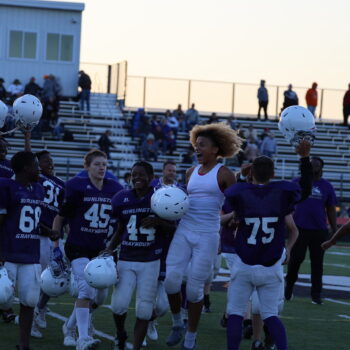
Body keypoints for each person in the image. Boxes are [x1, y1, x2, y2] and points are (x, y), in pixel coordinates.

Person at [164, 122, 242, 350]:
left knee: (195, 290)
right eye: (196, 145)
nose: (197, 149)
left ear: (216, 150)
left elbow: (238, 204)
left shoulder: (225, 174)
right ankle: (178, 322)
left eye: (203, 146)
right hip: (185, 230)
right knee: (171, 281)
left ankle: (191, 336)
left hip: (208, 235)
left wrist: (236, 220)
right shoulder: (190, 172)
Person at [224, 156, 302, 350]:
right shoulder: (281, 195)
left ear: (251, 173)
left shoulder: (242, 193)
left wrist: (242, 177)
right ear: (273, 174)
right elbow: (300, 190)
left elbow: (231, 193)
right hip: (270, 265)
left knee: (235, 313)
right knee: (270, 315)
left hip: (244, 263)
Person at [51, 149, 123, 349]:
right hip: (78, 246)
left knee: (99, 296)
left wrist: (112, 246)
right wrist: (56, 247)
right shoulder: (75, 186)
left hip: (101, 250)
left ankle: (70, 325)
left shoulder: (114, 188)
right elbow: (60, 216)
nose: (102, 168)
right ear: (87, 167)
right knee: (85, 288)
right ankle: (83, 339)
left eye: (104, 164)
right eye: (97, 164)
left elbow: (120, 222)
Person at [106, 161, 176, 350]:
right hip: (127, 258)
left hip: (150, 260)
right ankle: (120, 333)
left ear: (151, 177)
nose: (136, 178)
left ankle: (136, 347)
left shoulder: (160, 198)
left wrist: (159, 222)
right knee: (118, 305)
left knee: (145, 310)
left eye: (141, 175)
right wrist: (109, 248)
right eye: (133, 174)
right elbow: (120, 228)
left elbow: (174, 228)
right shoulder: (121, 198)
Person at [0, 151, 50, 350]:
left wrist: (50, 231)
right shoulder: (7, 187)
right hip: (8, 253)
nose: (39, 169)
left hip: (31, 255)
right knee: (3, 300)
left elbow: (32, 221)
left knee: (29, 301)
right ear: (26, 169)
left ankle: (24, 344)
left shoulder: (38, 189)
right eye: (36, 165)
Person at [285, 157, 337, 305]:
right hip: (298, 228)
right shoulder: (296, 182)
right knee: (296, 260)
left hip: (319, 229)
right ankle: (289, 286)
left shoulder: (327, 186)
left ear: (321, 168)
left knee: (317, 263)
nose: (313, 168)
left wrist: (334, 228)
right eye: (311, 165)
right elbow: (286, 202)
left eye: (316, 165)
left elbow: (331, 208)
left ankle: (316, 294)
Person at [32, 151, 65, 336]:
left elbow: (64, 209)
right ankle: (34, 313)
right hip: (38, 234)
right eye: (46, 162)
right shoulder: (35, 178)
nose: (50, 164)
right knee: (39, 278)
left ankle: (41, 307)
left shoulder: (60, 183)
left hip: (53, 236)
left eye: (52, 161)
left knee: (55, 276)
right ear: (37, 164)